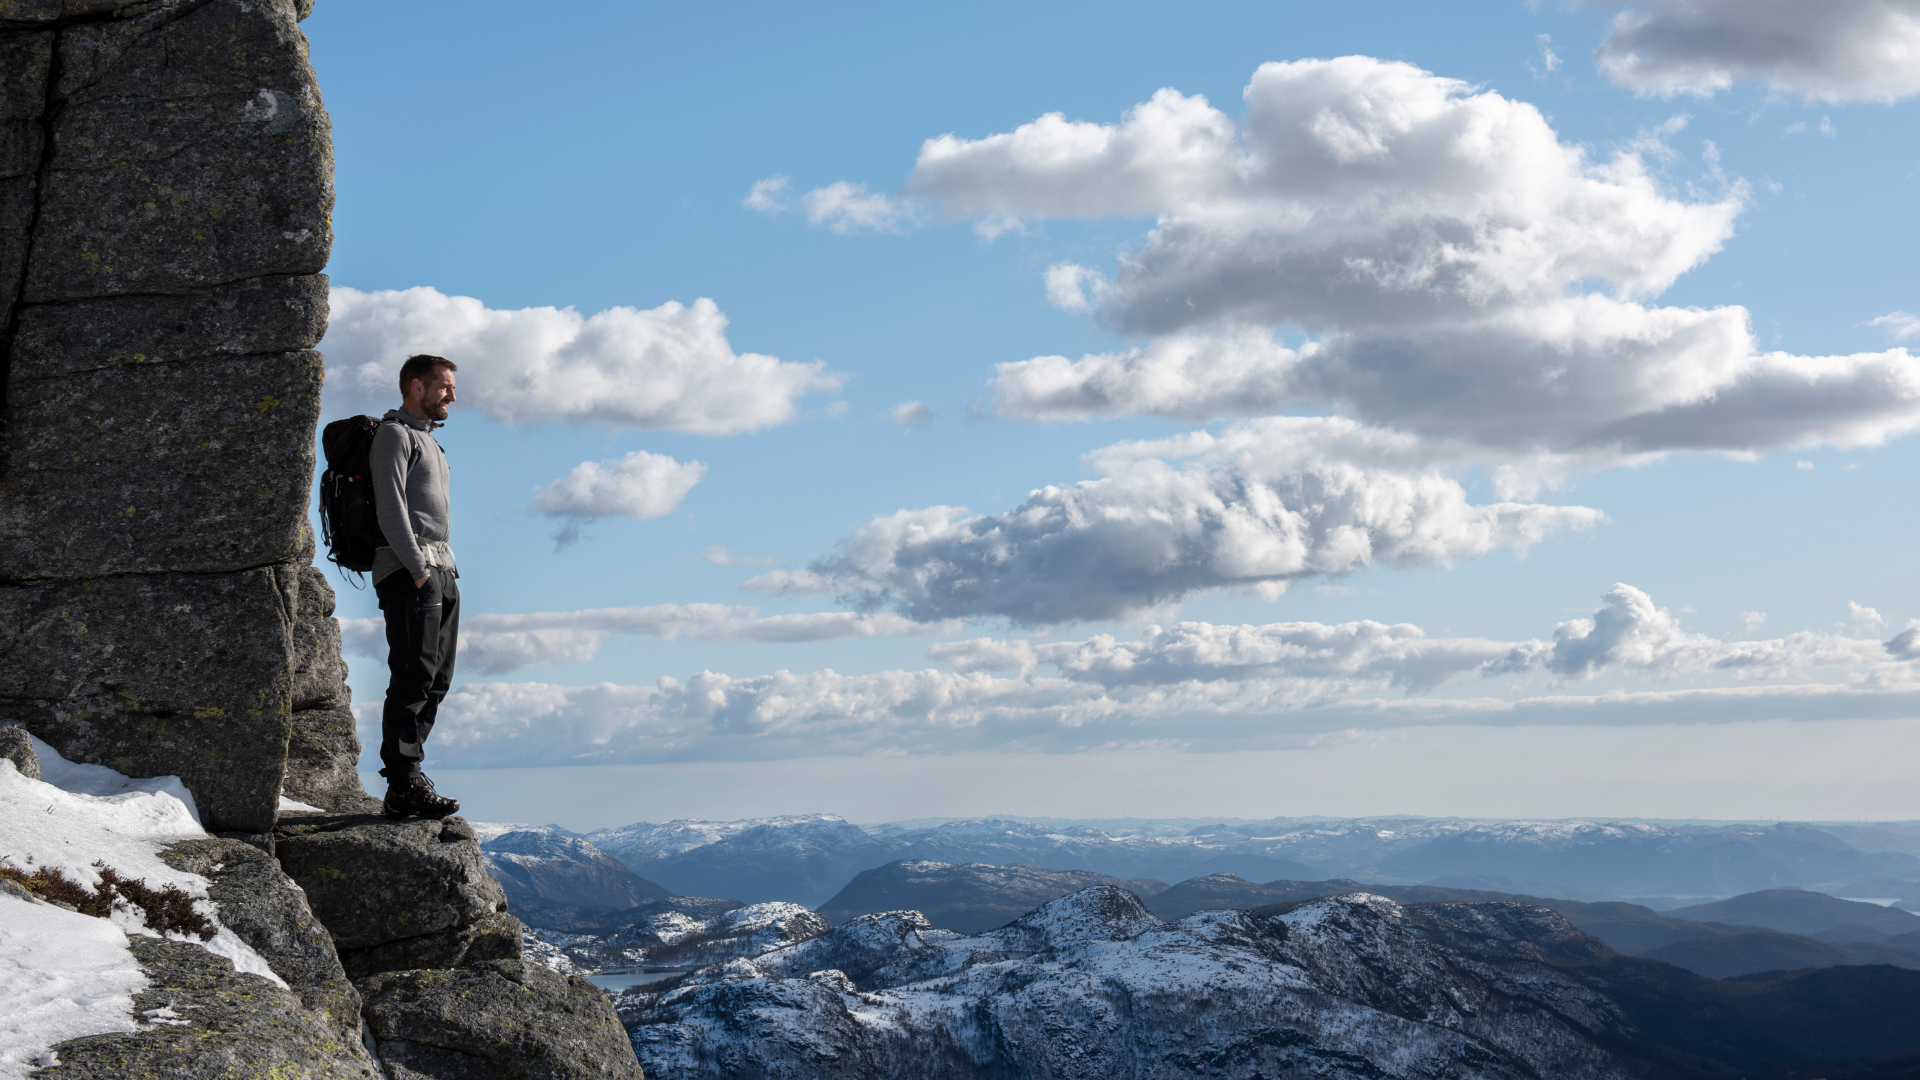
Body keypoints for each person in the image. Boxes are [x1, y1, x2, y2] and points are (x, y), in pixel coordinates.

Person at [370, 354, 463, 818]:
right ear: (416, 387)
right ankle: (403, 780)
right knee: (413, 674)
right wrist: (418, 570)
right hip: (412, 572)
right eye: (443, 386)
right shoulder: (393, 436)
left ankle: (409, 776)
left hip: (440, 570)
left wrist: (439, 572)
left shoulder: (430, 442)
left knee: (437, 679)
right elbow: (391, 511)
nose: (452, 395)